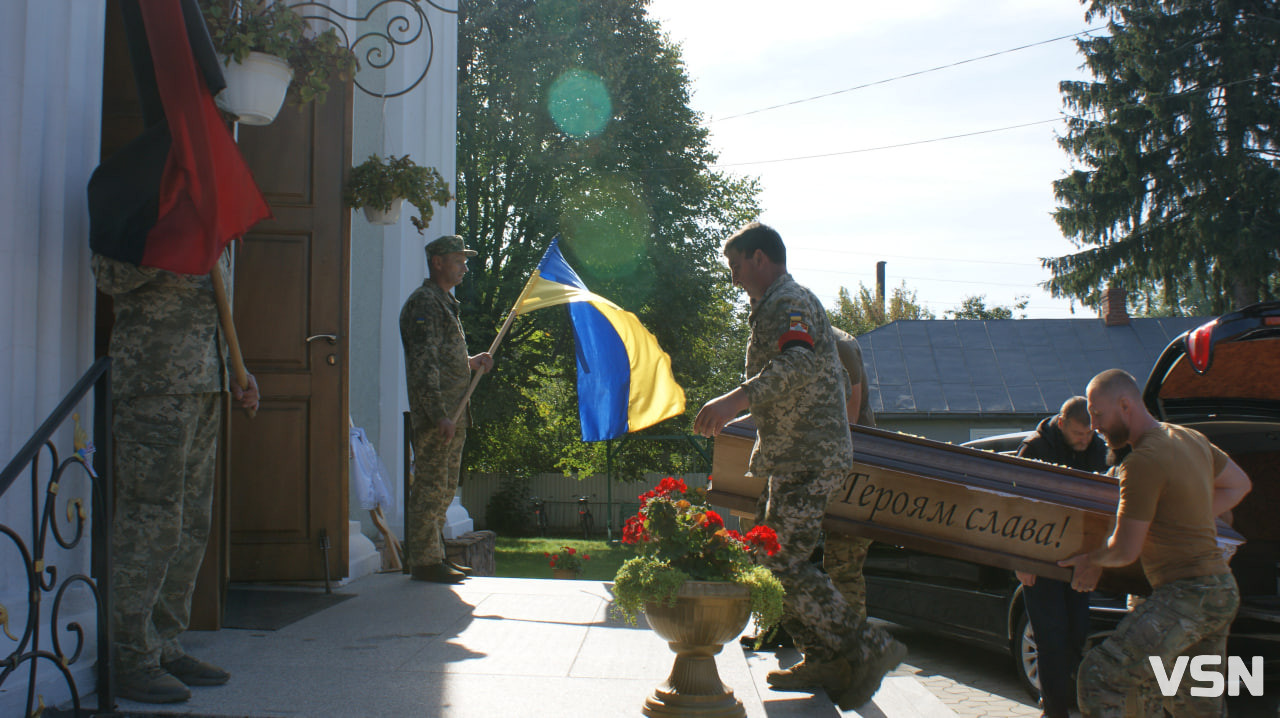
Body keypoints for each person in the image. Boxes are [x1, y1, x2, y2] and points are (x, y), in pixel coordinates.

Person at [694, 222, 906, 710]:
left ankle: (868, 644)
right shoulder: (771, 307)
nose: (733, 278)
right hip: (791, 456)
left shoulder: (791, 303)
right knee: (768, 560)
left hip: (811, 456)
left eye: (736, 265)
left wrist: (734, 401)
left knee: (780, 562)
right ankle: (825, 657)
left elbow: (800, 365)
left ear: (760, 258)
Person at [94, 251, 260, 704]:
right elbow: (108, 274)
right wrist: (176, 244)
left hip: (206, 385)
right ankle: (129, 656)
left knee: (190, 525)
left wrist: (237, 373)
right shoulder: (139, 199)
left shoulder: (219, 222)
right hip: (154, 383)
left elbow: (216, 306)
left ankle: (163, 642)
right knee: (151, 523)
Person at [1058, 369, 1251, 717]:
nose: (1095, 426)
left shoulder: (1142, 461)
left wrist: (1092, 560)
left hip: (1186, 594)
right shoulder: (1189, 438)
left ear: (1125, 404)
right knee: (1193, 706)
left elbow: (1124, 549)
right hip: (1219, 591)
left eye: (1098, 414)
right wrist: (1187, 517)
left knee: (1100, 676)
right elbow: (1239, 485)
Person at [400, 235, 493, 584]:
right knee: (430, 486)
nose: (464, 268)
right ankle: (424, 561)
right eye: (458, 260)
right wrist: (439, 413)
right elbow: (425, 366)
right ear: (437, 262)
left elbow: (444, 356)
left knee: (444, 488)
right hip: (438, 417)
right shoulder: (425, 304)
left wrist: (471, 362)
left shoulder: (443, 303)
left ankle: (434, 554)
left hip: (454, 413)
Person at [1013, 396, 1107, 718]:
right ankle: (1053, 710)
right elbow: (1015, 504)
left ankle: (1063, 699)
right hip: (1039, 557)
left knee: (1076, 633)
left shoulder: (1097, 448)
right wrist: (1022, 558)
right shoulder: (1035, 448)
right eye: (1080, 433)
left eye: (1090, 433)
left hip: (1079, 556)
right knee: (1050, 636)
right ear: (1063, 424)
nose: (1086, 439)